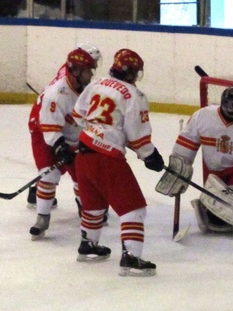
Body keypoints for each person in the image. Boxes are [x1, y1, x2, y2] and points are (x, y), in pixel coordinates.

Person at [72, 48, 164, 276]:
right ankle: (131, 257)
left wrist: (97, 131)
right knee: (134, 208)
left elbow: (77, 114)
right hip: (106, 157)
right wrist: (149, 154)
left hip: (83, 150)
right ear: (131, 72)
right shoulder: (134, 95)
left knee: (94, 203)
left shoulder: (97, 83)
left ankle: (88, 245)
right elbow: (137, 134)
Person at [155, 86, 233, 241]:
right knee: (216, 215)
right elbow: (185, 148)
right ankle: (208, 208)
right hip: (215, 173)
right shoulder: (202, 116)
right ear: (227, 106)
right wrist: (178, 171)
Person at [28, 47, 98, 240]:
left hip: (72, 134)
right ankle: (42, 218)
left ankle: (85, 209)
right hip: (45, 133)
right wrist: (59, 146)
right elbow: (49, 126)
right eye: (87, 71)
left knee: (82, 175)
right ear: (75, 71)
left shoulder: (89, 89)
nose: (90, 75)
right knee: (49, 175)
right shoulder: (56, 93)